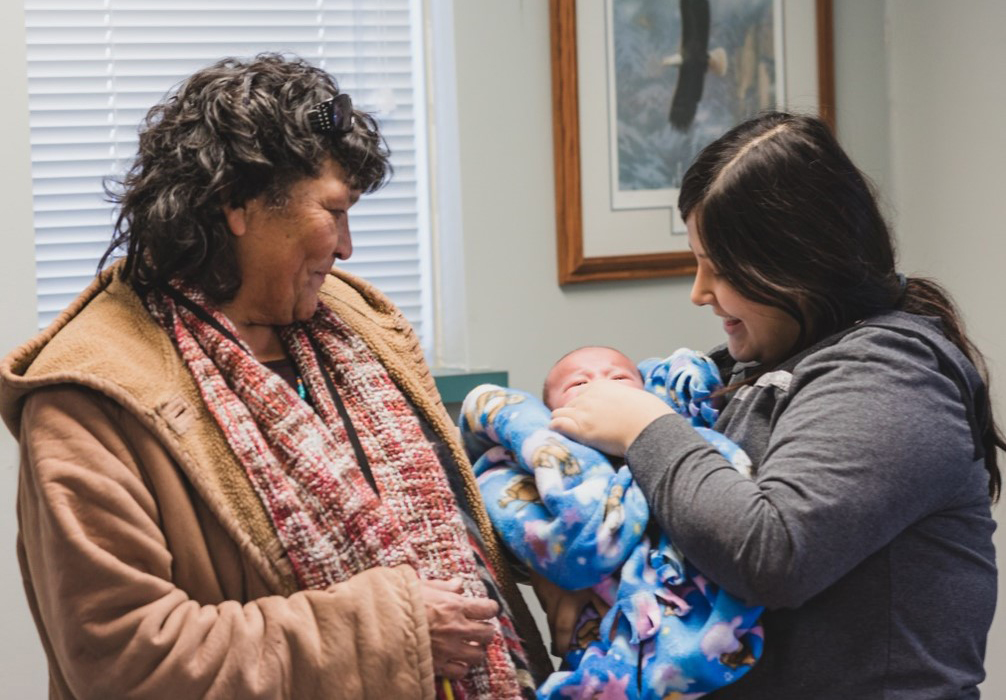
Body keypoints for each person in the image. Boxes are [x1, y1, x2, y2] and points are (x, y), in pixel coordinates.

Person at [0, 53, 550, 699]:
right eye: (333, 211)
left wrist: (561, 564)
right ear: (238, 203)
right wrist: (387, 629)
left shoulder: (357, 324)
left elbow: (455, 528)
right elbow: (123, 659)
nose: (347, 248)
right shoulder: (92, 398)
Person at [549, 112, 1002, 699]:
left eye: (720, 268)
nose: (699, 292)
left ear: (796, 262)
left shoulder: (894, 374)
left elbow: (773, 553)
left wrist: (643, 425)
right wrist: (565, 571)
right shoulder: (751, 367)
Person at [462, 345, 762, 699]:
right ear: (551, 413)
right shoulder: (537, 463)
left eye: (619, 377)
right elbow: (523, 529)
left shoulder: (683, 432)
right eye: (578, 383)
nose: (602, 386)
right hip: (603, 621)